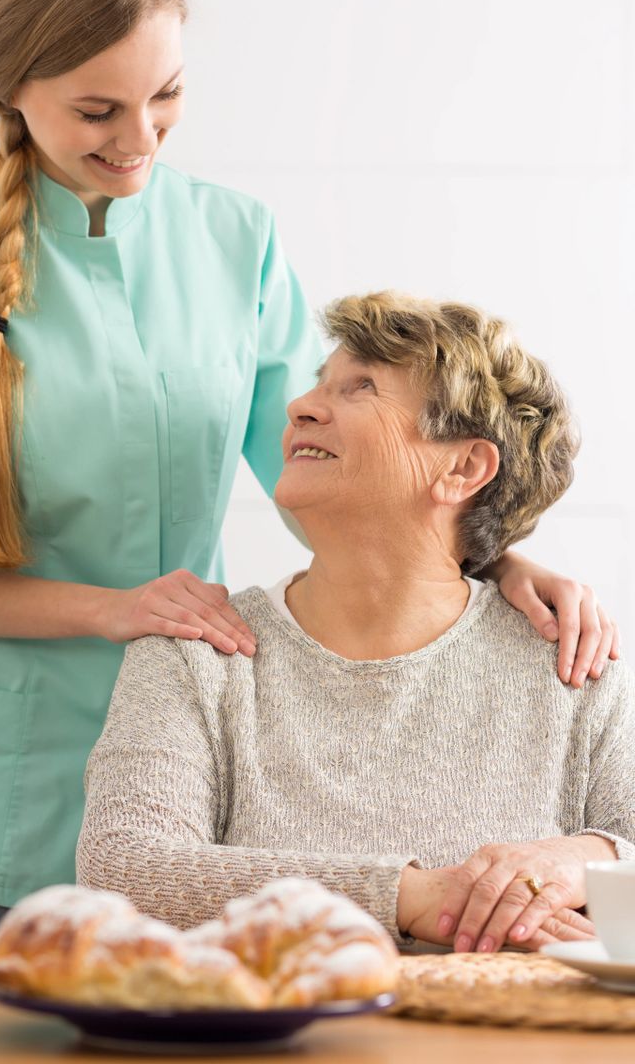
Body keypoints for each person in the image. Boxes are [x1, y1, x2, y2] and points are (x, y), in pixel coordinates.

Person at [0, 0, 616, 936]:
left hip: (205, 793)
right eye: (97, 110)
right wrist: (110, 608)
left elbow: (339, 466)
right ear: (12, 92)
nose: (140, 137)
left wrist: (492, 560)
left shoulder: (232, 237)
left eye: (165, 95)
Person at [76, 292, 634, 955]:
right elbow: (124, 870)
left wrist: (587, 856)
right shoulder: (197, 650)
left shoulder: (569, 658)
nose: (300, 408)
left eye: (359, 388)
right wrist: (414, 896)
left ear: (463, 468)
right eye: (319, 386)